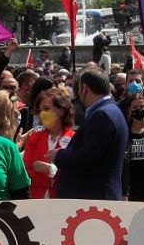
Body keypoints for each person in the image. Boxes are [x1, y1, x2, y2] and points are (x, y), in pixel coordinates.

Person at [53, 69, 128, 201]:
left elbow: (88, 157)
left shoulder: (102, 115)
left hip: (95, 200)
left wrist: (59, 155)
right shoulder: (112, 109)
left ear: (84, 88)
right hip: (99, 196)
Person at [21, 87, 75, 199]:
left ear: (61, 111)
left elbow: (74, 173)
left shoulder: (74, 138)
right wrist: (49, 179)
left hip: (63, 200)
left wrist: (51, 170)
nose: (42, 114)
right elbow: (26, 170)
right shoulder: (34, 137)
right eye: (40, 110)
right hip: (36, 199)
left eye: (46, 109)